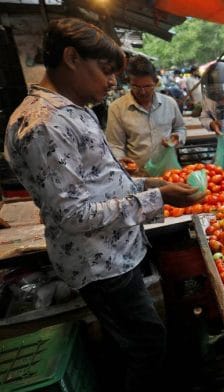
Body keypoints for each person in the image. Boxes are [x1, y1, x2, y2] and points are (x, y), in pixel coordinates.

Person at [4, 18, 204, 391]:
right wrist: (156, 197)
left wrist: (148, 182)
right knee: (147, 344)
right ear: (72, 58)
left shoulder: (71, 110)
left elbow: (97, 183)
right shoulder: (44, 123)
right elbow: (74, 213)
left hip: (114, 252)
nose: (113, 82)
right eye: (106, 70)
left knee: (128, 341)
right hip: (100, 262)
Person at [106, 55, 186, 173]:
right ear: (129, 82)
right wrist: (122, 162)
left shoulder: (169, 103)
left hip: (170, 174)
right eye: (136, 86)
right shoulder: (117, 108)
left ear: (156, 82)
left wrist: (177, 137)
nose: (142, 92)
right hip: (138, 175)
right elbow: (115, 145)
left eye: (147, 86)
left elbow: (180, 128)